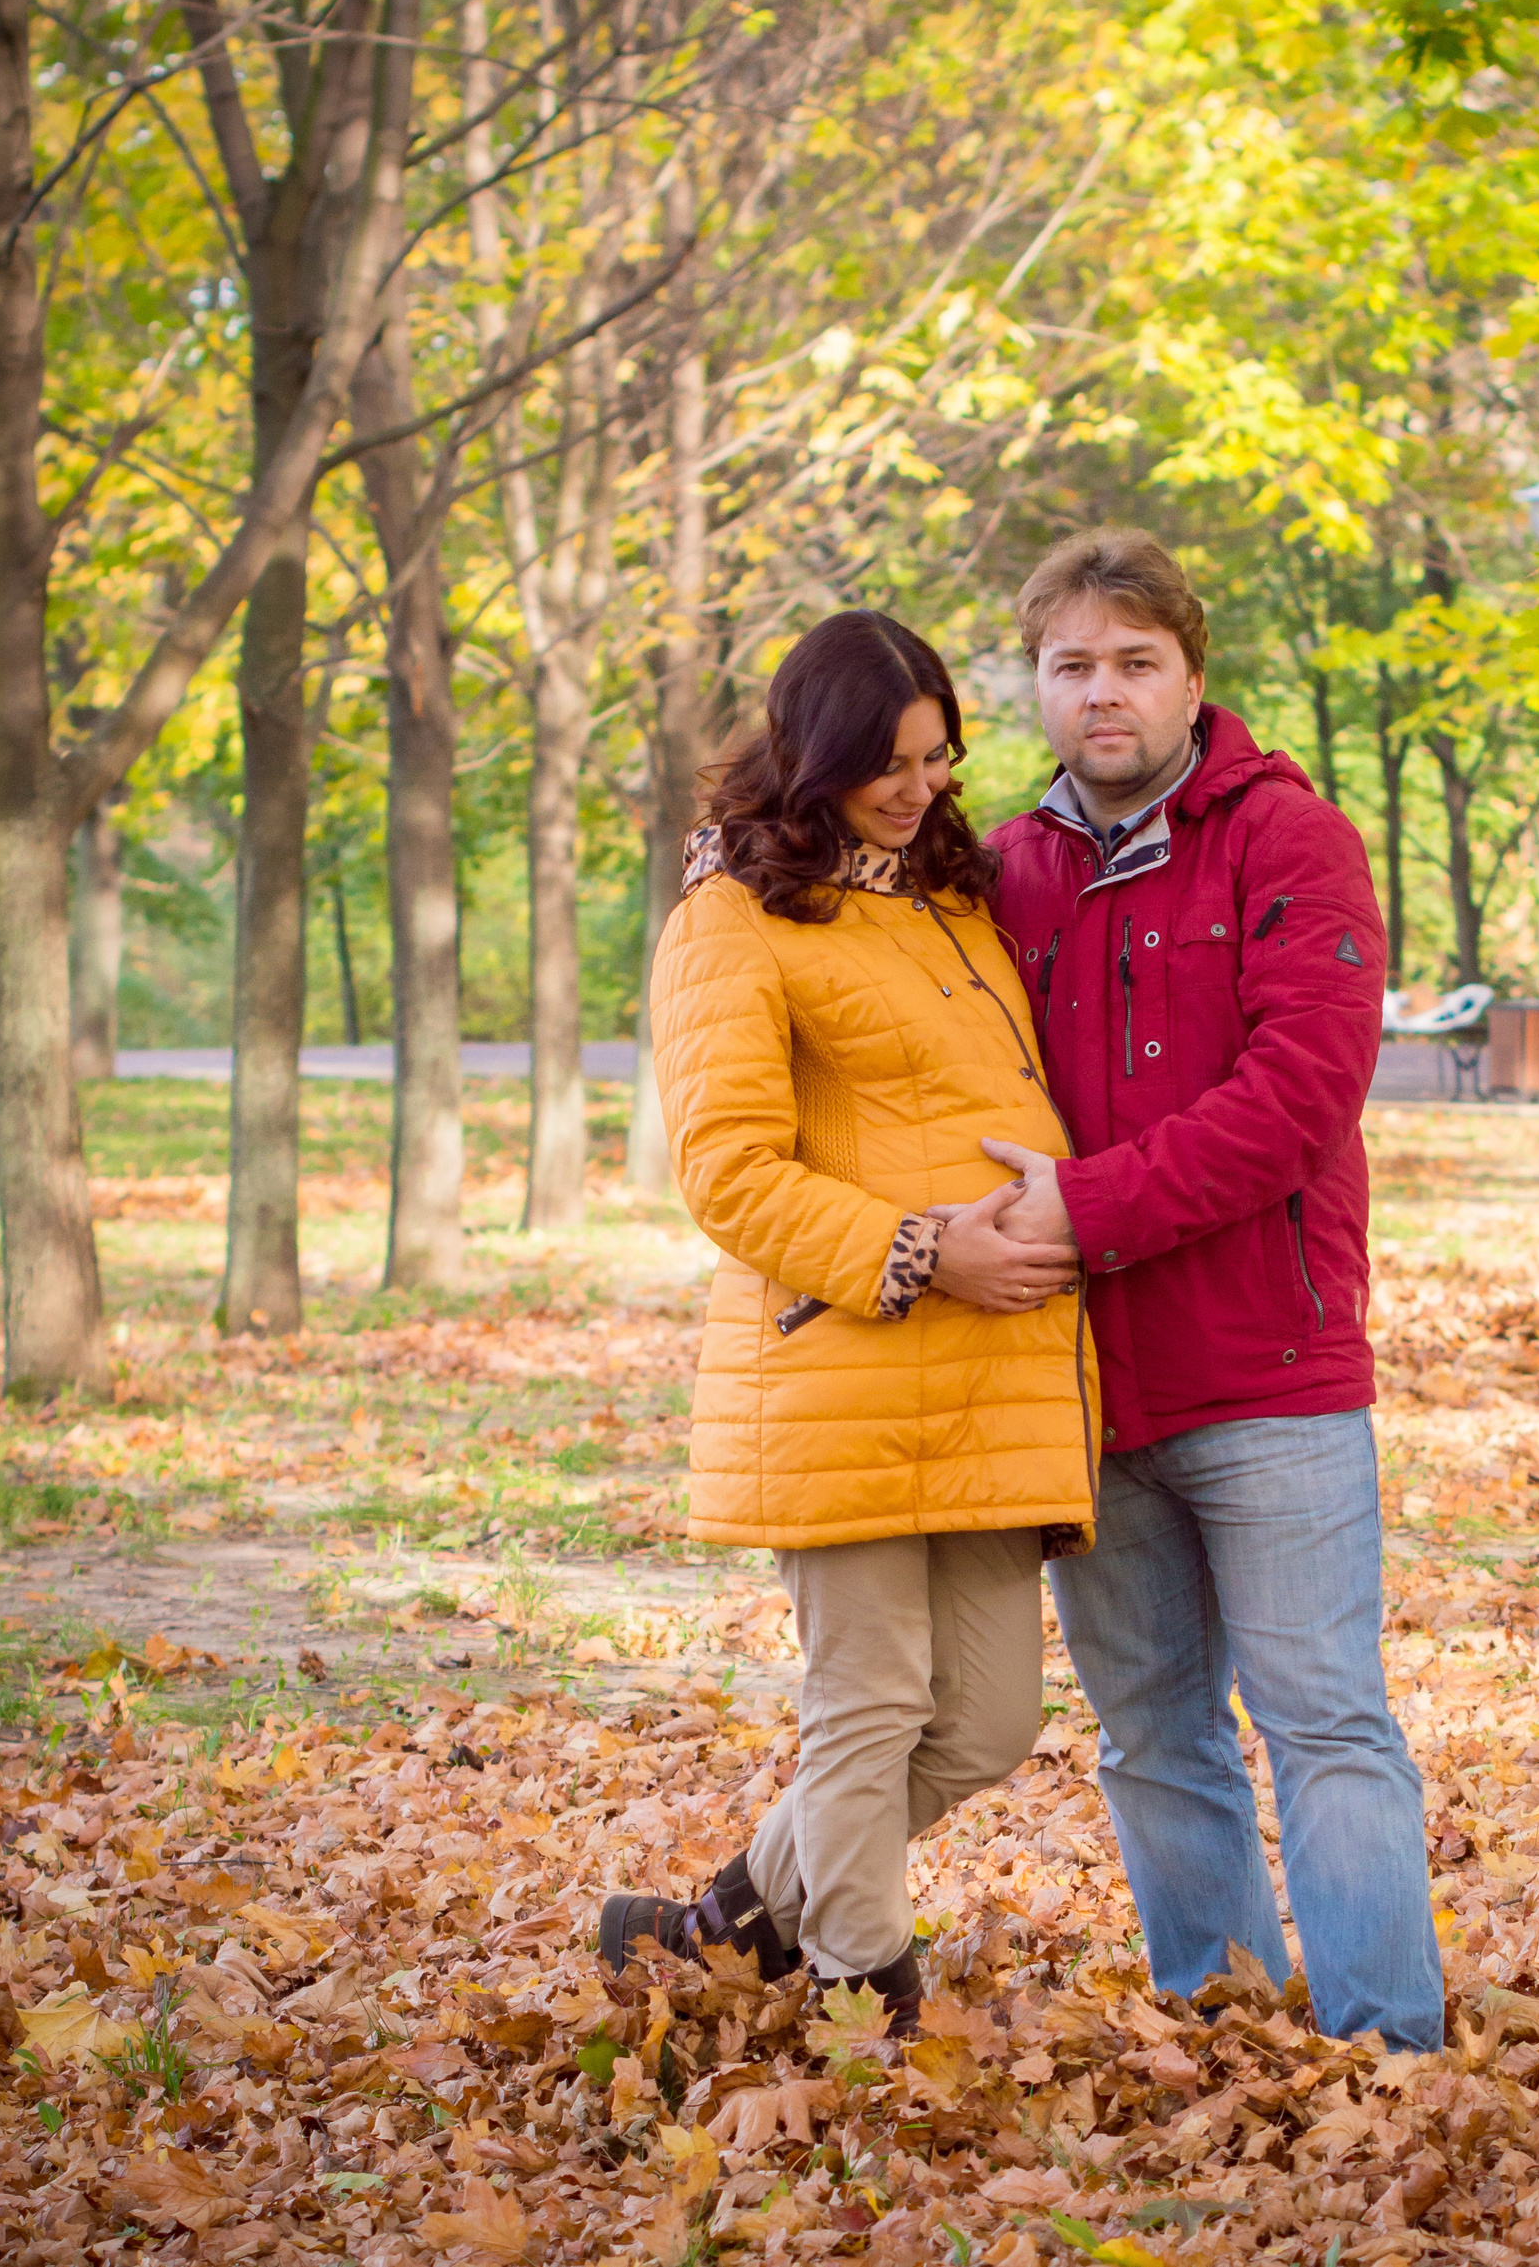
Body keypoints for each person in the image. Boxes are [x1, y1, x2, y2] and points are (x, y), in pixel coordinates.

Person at [599, 609, 1094, 2039]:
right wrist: (925, 1250)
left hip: (995, 1368)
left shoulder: (954, 900)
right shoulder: (729, 914)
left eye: (937, 756)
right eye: (885, 761)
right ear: (810, 754)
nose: (918, 786)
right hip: (847, 1355)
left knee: (990, 1721)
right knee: (869, 1702)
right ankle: (862, 1995)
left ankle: (727, 1917)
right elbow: (728, 1169)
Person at [982, 527, 1444, 2052]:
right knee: (1153, 1736)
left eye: (1134, 662)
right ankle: (1227, 2030)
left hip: (1270, 1369)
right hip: (1088, 1388)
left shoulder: (1288, 841)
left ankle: (1388, 2045)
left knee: (1324, 1722)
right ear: (1038, 681)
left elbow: (1297, 1097)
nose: (1101, 692)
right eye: (1072, 665)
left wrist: (1084, 1210)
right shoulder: (1001, 874)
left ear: (1192, 676)